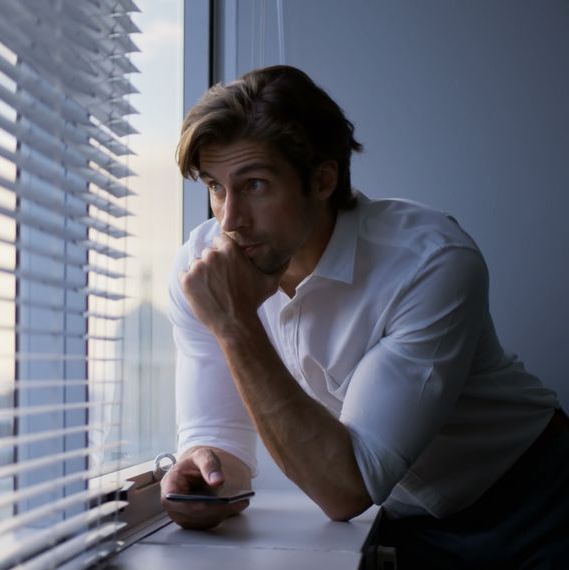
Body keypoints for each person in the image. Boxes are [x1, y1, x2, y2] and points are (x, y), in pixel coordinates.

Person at [161, 65, 568, 567]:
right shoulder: (202, 267)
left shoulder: (429, 262)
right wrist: (207, 482)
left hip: (538, 499)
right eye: (216, 187)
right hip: (403, 525)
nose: (229, 220)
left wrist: (235, 324)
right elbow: (221, 438)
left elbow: (344, 491)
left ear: (323, 179)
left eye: (257, 185)